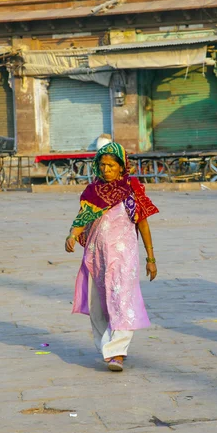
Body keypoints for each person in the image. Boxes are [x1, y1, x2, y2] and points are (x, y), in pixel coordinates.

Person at [65, 143, 159, 372]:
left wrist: (151, 257)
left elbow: (143, 223)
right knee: (100, 303)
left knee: (122, 299)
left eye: (111, 165)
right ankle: (106, 346)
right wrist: (72, 235)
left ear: (121, 167)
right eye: (102, 165)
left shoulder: (131, 190)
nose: (106, 169)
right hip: (97, 256)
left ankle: (117, 352)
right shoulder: (91, 191)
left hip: (124, 255)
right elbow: (82, 218)